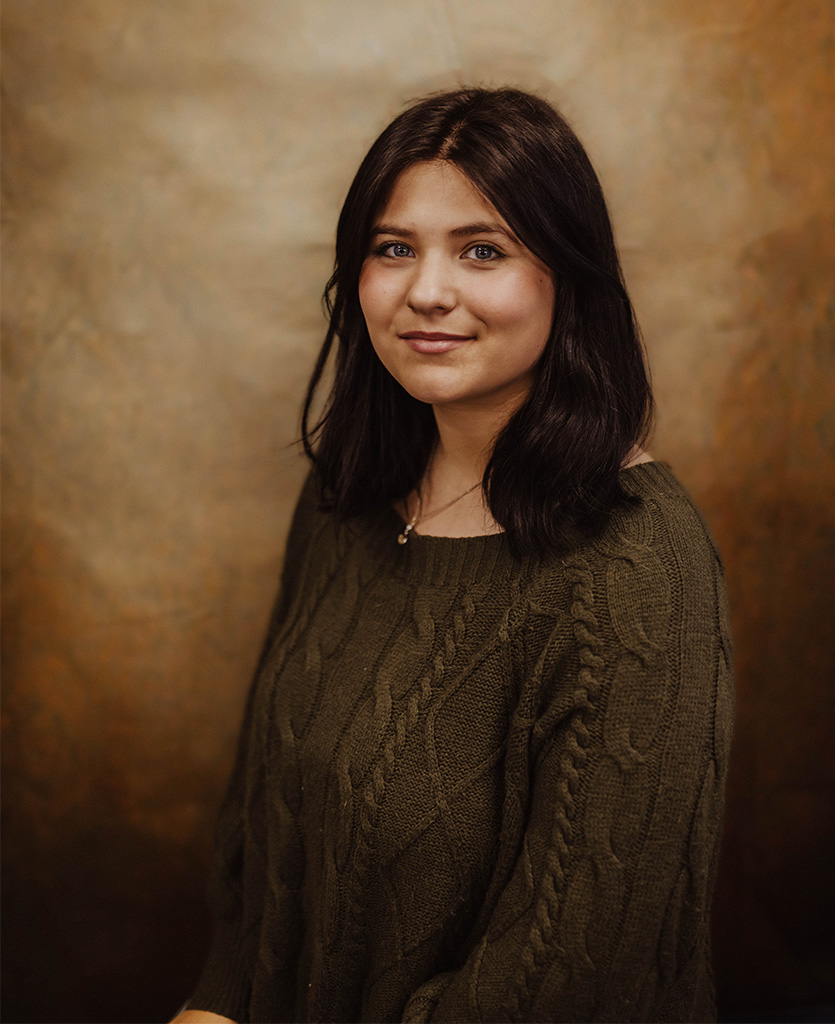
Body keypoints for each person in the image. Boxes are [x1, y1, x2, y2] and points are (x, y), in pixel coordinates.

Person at [173, 87, 733, 1024]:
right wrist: (218, 1003)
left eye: (484, 249)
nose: (426, 291)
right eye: (394, 248)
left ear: (569, 275)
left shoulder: (639, 566)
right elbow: (262, 847)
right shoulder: (344, 498)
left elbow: (566, 981)